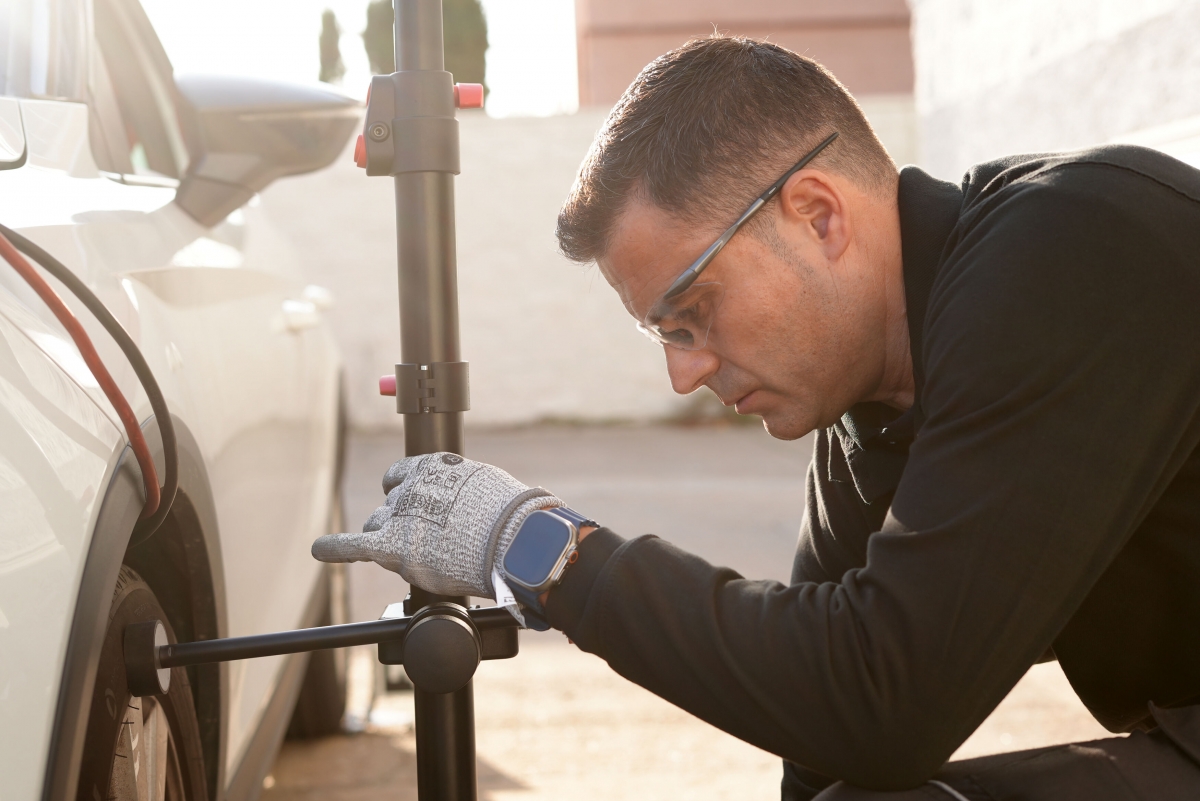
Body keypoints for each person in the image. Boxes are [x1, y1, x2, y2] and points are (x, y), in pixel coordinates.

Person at [312, 37, 1200, 799]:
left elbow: (882, 702)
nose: (682, 371)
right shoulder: (873, 411)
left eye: (693, 311)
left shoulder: (1071, 249)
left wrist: (540, 549)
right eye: (662, 333)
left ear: (817, 215)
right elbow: (822, 740)